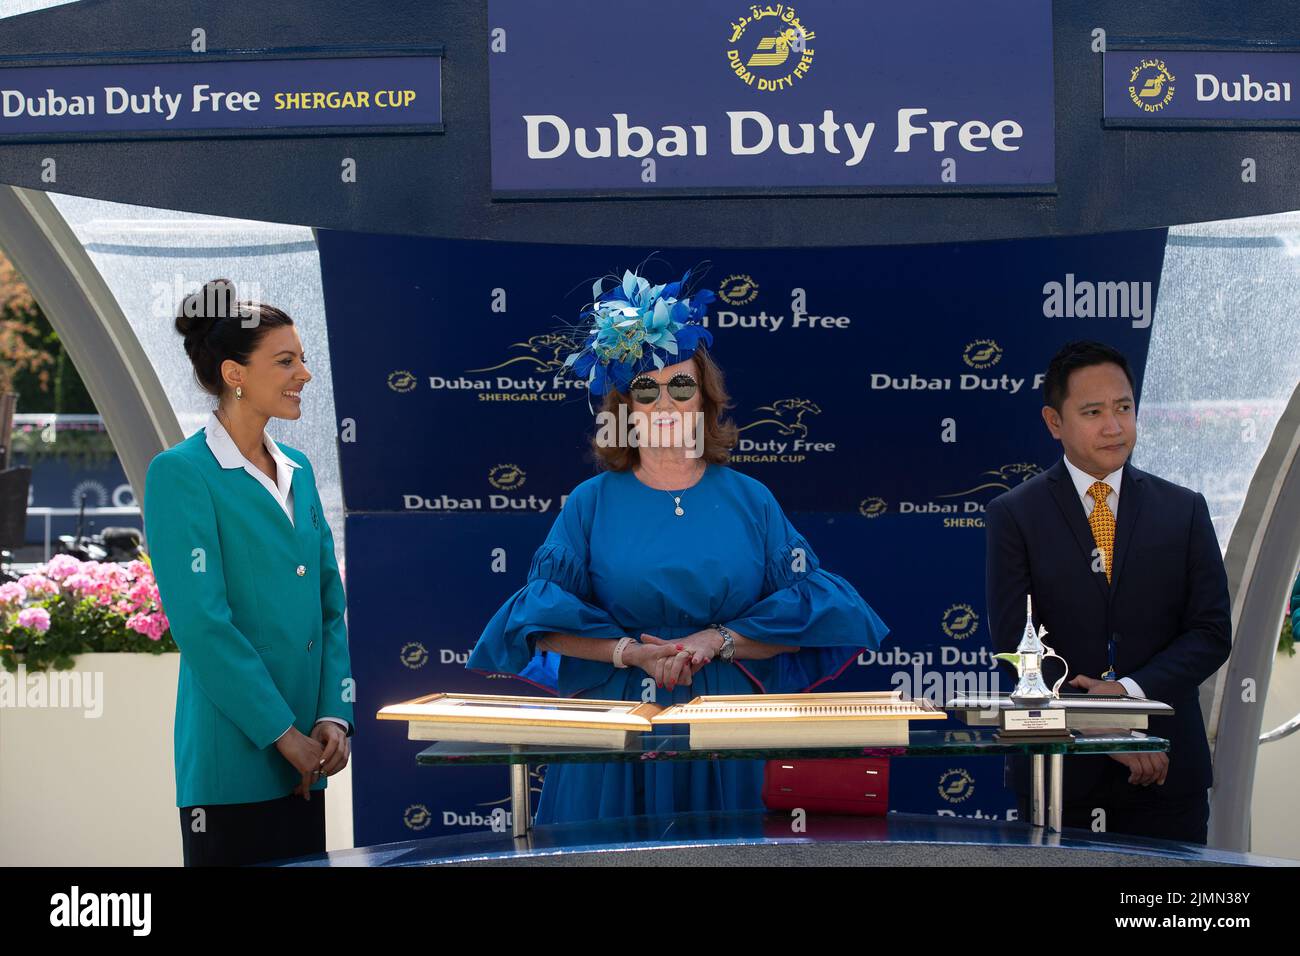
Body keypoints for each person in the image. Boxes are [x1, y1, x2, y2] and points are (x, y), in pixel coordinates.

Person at [467, 266, 889, 824]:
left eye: (681, 386)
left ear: (705, 400)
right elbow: (544, 621)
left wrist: (717, 641)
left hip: (727, 726)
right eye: (646, 389)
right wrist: (632, 652)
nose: (665, 403)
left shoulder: (752, 499)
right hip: (618, 728)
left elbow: (804, 620)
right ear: (625, 407)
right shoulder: (590, 503)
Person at [985, 340, 1231, 845]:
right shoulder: (1015, 515)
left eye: (1123, 408)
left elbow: (1210, 633)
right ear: (1055, 422)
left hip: (1166, 769)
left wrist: (1125, 695)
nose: (1114, 426)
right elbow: (1017, 643)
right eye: (1093, 412)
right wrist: (1096, 728)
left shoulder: (1183, 510)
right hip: (1059, 771)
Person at [144, 279, 354, 866]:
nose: (304, 375)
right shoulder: (181, 473)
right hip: (233, 763)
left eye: (303, 360)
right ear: (235, 374)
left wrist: (333, 716)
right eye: (285, 361)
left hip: (308, 759)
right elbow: (203, 626)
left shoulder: (300, 469)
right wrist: (282, 736)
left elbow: (329, 606)